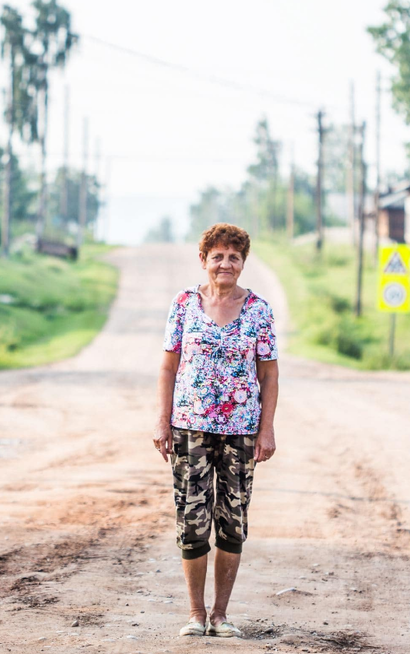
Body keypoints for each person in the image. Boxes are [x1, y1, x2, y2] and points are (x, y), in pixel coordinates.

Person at [153, 222, 279, 638]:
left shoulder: (259, 310)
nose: (226, 263)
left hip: (241, 432)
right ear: (204, 260)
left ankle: (221, 616)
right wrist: (161, 419)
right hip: (189, 428)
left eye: (234, 257)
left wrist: (266, 430)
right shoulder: (185, 303)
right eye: (218, 256)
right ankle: (195, 614)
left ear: (243, 263)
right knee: (191, 520)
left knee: (232, 522)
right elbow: (169, 366)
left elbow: (269, 374)